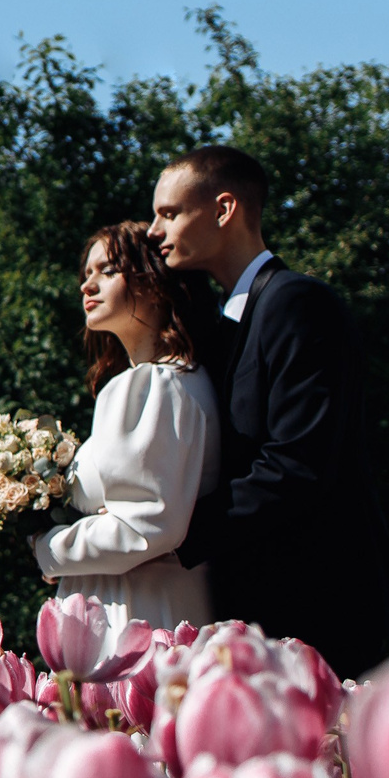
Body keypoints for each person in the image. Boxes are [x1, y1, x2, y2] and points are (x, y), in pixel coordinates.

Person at [150, 144, 389, 676]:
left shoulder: (297, 304)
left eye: (169, 214)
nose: (155, 231)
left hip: (321, 613)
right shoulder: (221, 327)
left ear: (224, 209)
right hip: (252, 613)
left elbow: (297, 465)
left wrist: (163, 535)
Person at [32, 221, 223, 632]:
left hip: (136, 613)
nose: (87, 285)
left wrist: (46, 546)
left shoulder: (155, 384)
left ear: (153, 282)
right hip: (138, 601)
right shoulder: (173, 380)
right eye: (87, 274)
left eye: (108, 270)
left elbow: (142, 528)